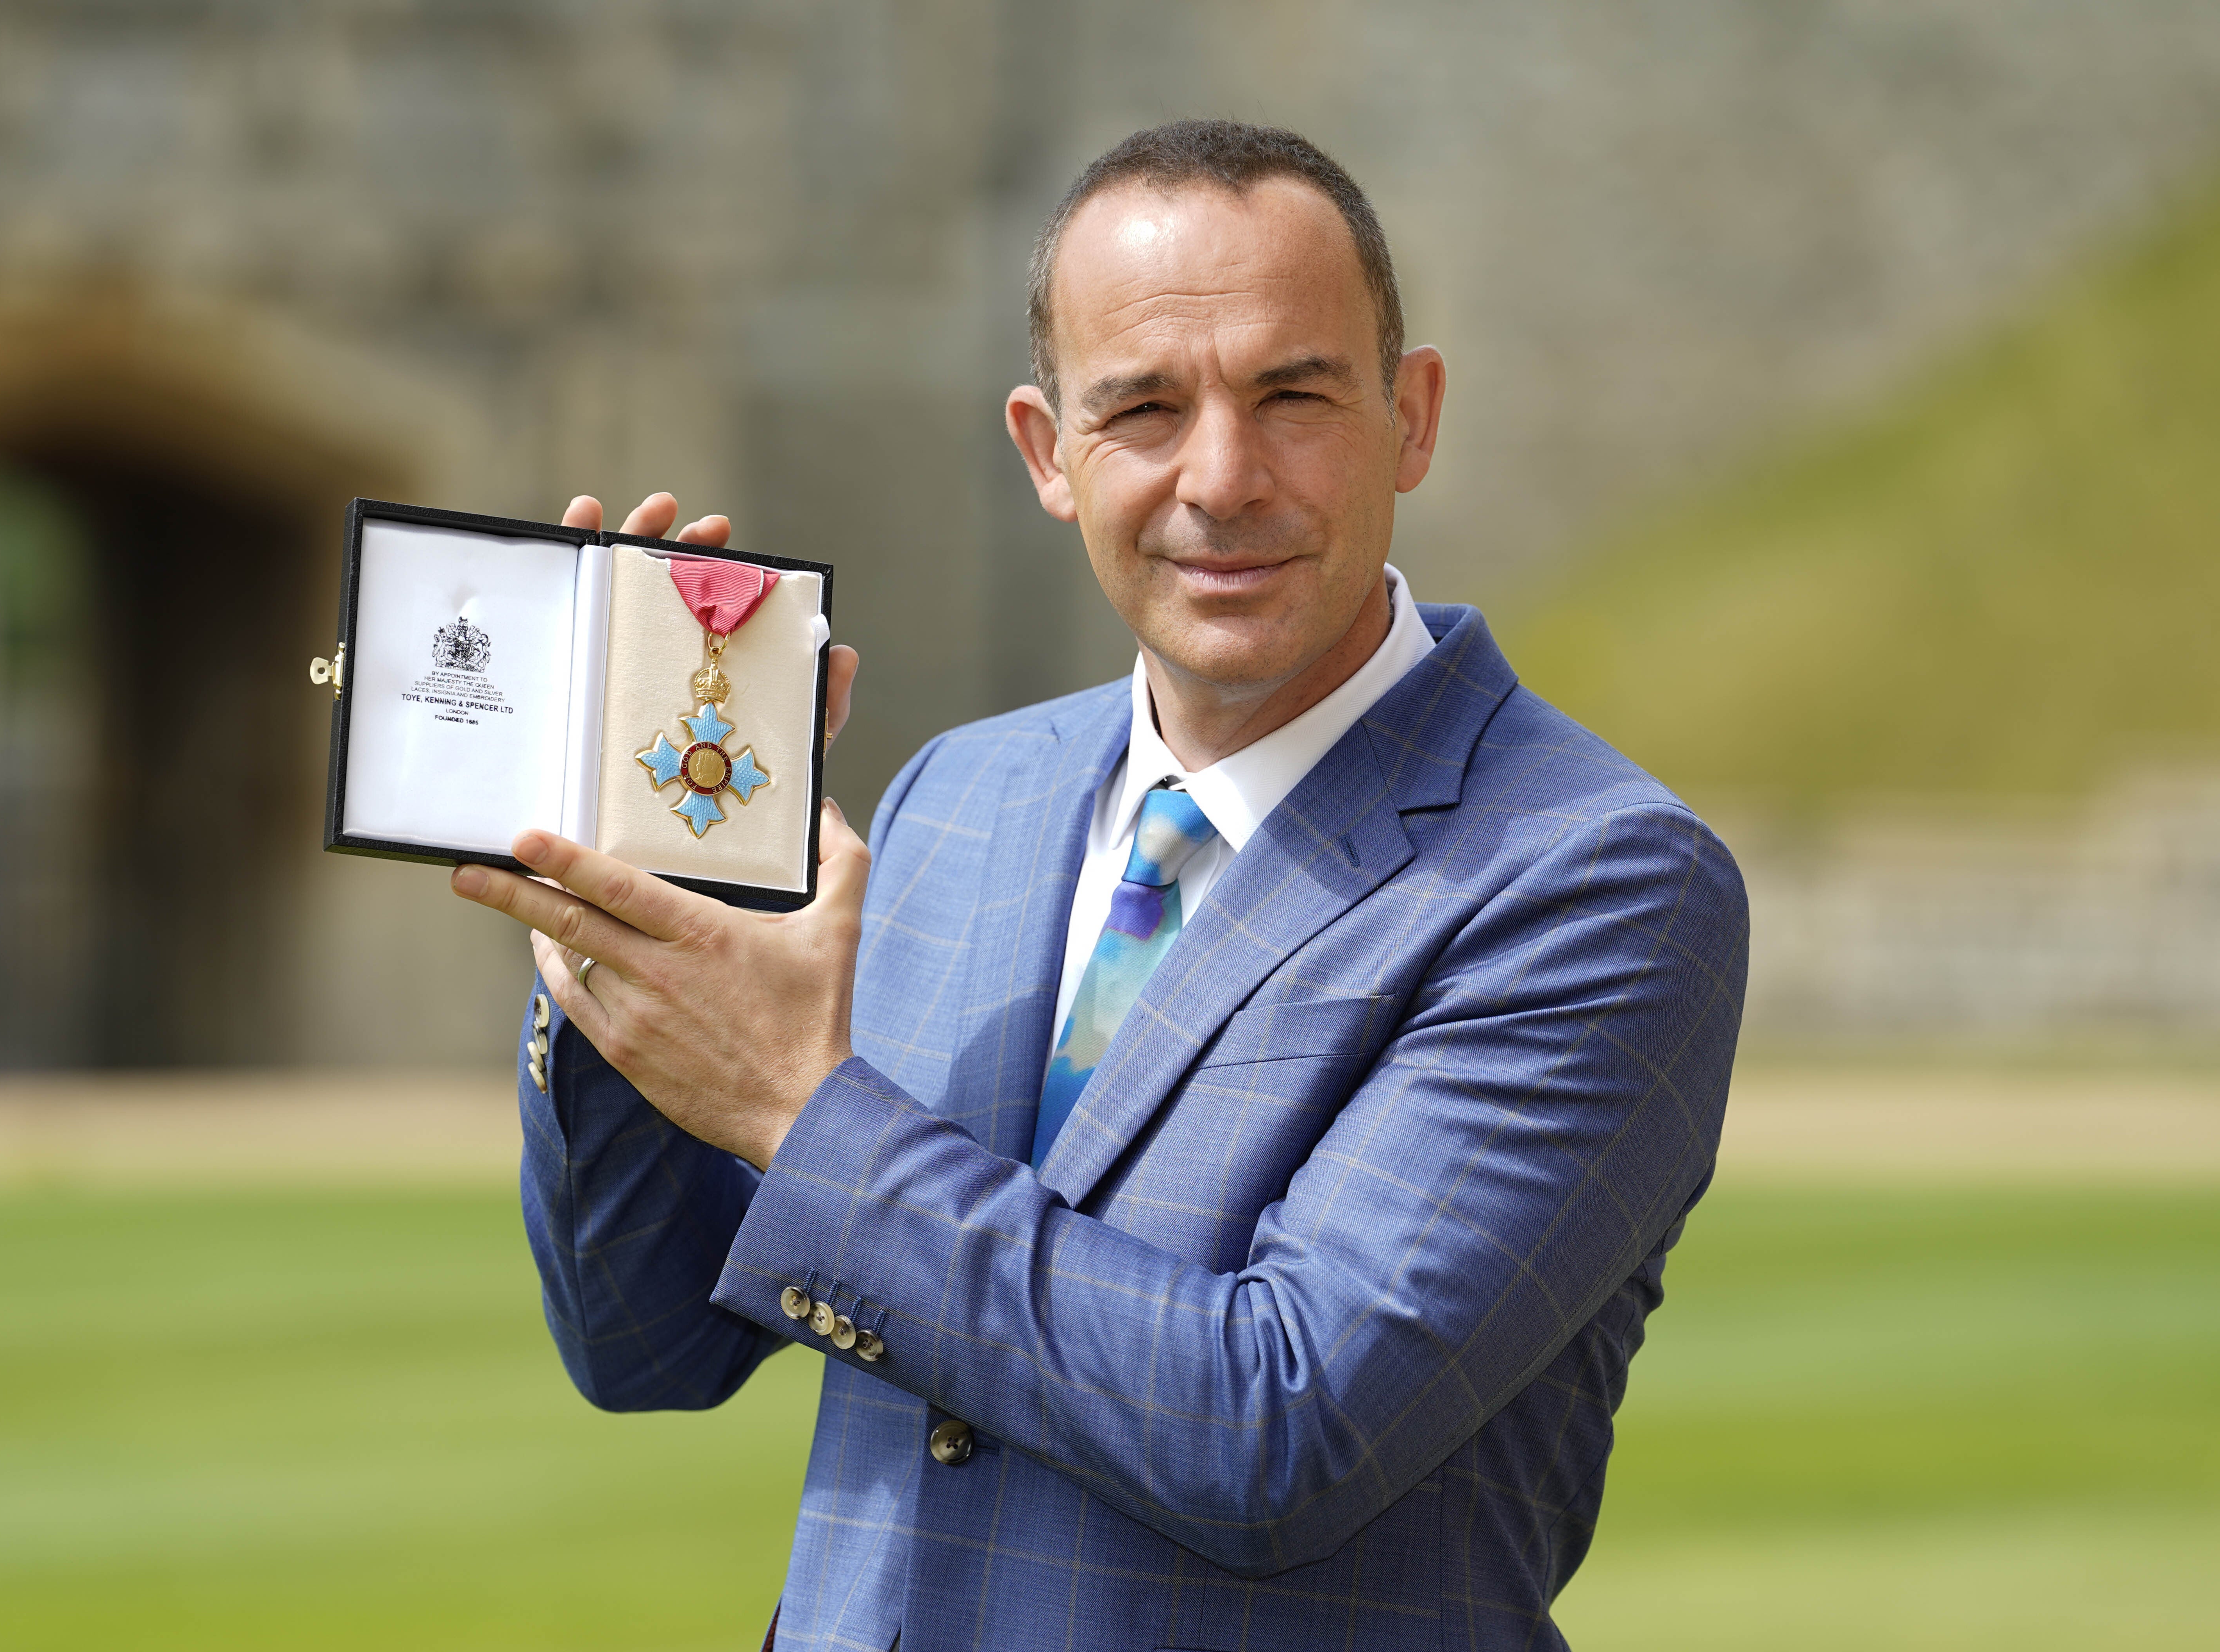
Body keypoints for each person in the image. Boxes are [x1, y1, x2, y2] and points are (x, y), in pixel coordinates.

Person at [452, 119, 1748, 1652]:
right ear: (1046, 453)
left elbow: (1282, 1428)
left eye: (1293, 395)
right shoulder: (960, 797)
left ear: (1413, 416)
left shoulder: (1597, 878)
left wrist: (801, 1114)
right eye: (1141, 408)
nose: (1222, 476)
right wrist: (616, 922)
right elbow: (643, 1344)